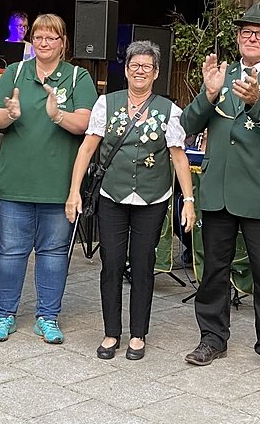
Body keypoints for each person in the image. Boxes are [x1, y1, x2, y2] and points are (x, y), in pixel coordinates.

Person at [181, 0, 260, 379]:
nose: (252, 39)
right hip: (218, 188)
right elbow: (187, 125)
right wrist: (208, 94)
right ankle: (212, 338)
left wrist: (258, 102)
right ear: (237, 38)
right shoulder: (220, 73)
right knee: (213, 270)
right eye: (246, 33)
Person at [64, 41, 195, 360]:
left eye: (146, 67)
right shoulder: (106, 104)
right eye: (134, 65)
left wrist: (189, 200)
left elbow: (179, 157)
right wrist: (74, 192)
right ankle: (111, 332)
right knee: (110, 263)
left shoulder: (169, 110)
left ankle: (138, 334)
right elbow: (87, 148)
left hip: (153, 198)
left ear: (156, 73)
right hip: (113, 196)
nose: (140, 71)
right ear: (125, 70)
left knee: (142, 264)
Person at [0, 13, 96, 344]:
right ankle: (4, 315)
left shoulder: (77, 77)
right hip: (15, 183)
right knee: (11, 252)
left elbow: (85, 124)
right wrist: (10, 114)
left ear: (63, 43)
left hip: (58, 185)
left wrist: (57, 115)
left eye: (51, 37)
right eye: (38, 37)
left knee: (53, 253)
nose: (43, 43)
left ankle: (47, 317)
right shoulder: (14, 71)